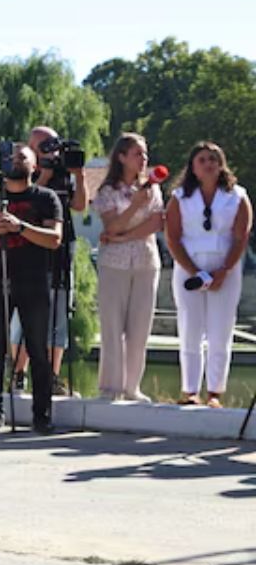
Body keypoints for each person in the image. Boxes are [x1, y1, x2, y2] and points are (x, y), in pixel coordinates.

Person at [0, 144, 63, 433]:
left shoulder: (46, 198)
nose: (15, 160)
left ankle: (41, 414)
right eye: (11, 157)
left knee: (37, 348)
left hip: (34, 280)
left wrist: (20, 227)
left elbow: (54, 239)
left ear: (35, 166)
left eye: (22, 157)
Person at [165, 141, 252, 408]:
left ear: (221, 164)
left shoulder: (237, 196)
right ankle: (190, 390)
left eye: (214, 159)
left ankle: (214, 392)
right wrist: (195, 272)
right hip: (189, 268)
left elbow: (241, 237)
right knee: (190, 329)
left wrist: (223, 272)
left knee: (220, 331)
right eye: (202, 159)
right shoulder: (180, 197)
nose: (209, 163)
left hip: (225, 269)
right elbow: (173, 238)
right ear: (193, 166)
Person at [9, 126, 87, 395]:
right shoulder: (23, 171)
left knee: (59, 312)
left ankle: (51, 377)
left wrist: (77, 174)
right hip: (32, 245)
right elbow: (26, 200)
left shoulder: (64, 171)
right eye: (42, 146)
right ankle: (18, 373)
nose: (49, 151)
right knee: (26, 313)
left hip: (63, 245)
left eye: (51, 145)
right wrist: (44, 175)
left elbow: (79, 205)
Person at [94, 133, 164, 402]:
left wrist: (124, 236)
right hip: (114, 264)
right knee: (112, 325)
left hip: (146, 261)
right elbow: (111, 226)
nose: (143, 159)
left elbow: (155, 223)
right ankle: (111, 386)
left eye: (145, 153)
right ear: (122, 157)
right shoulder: (107, 191)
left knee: (139, 327)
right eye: (137, 153)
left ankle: (132, 386)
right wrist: (134, 206)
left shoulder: (152, 189)